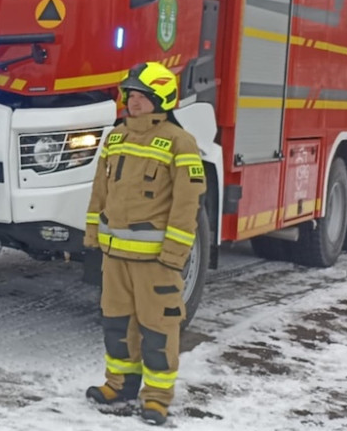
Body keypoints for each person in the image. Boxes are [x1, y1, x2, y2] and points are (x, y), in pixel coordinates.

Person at [83, 61, 205, 427]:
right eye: (131, 96)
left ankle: (156, 399)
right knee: (116, 325)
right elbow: (99, 192)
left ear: (161, 99)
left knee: (157, 329)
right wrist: (92, 234)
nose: (133, 103)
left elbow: (187, 205)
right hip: (115, 256)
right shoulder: (115, 137)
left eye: (142, 97)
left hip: (155, 261)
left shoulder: (180, 142)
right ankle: (118, 386)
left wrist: (174, 255)